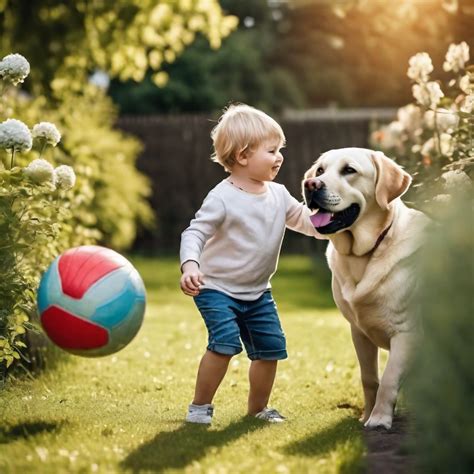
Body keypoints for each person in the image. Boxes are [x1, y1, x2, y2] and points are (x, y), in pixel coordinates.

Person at [179, 103, 322, 424]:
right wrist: (190, 265)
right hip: (215, 287)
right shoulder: (222, 197)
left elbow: (307, 222)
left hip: (258, 293)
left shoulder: (278, 194)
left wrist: (339, 224)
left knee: (270, 349)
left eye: (279, 149)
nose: (279, 157)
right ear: (243, 156)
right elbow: (195, 233)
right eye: (271, 150)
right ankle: (199, 408)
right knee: (225, 344)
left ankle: (257, 410)